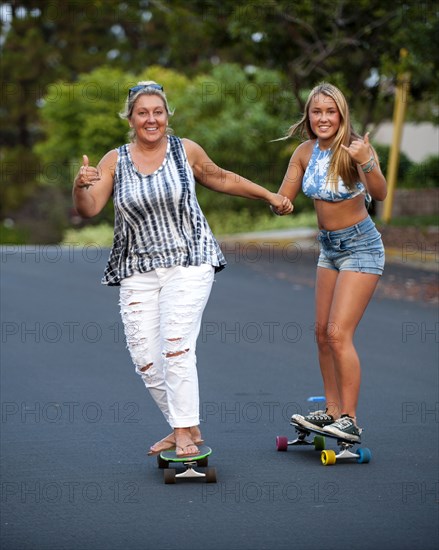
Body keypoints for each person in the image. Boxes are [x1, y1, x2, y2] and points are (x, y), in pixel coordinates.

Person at [73, 81, 293, 457]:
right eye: (142, 112)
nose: (151, 119)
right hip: (137, 268)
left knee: (176, 347)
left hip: (189, 261)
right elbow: (89, 208)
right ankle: (187, 427)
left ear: (167, 115)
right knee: (146, 359)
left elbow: (222, 177)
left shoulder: (184, 150)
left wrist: (269, 195)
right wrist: (79, 186)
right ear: (130, 118)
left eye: (158, 111)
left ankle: (184, 434)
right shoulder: (115, 160)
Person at [274, 82, 387, 442]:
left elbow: (381, 193)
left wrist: (367, 162)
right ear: (308, 115)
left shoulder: (354, 149)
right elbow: (283, 197)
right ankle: (333, 411)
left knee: (339, 335)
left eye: (330, 111)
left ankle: (350, 419)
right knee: (322, 335)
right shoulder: (305, 152)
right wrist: (275, 201)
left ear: (341, 114)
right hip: (329, 249)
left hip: (362, 247)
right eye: (316, 111)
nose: (323, 118)